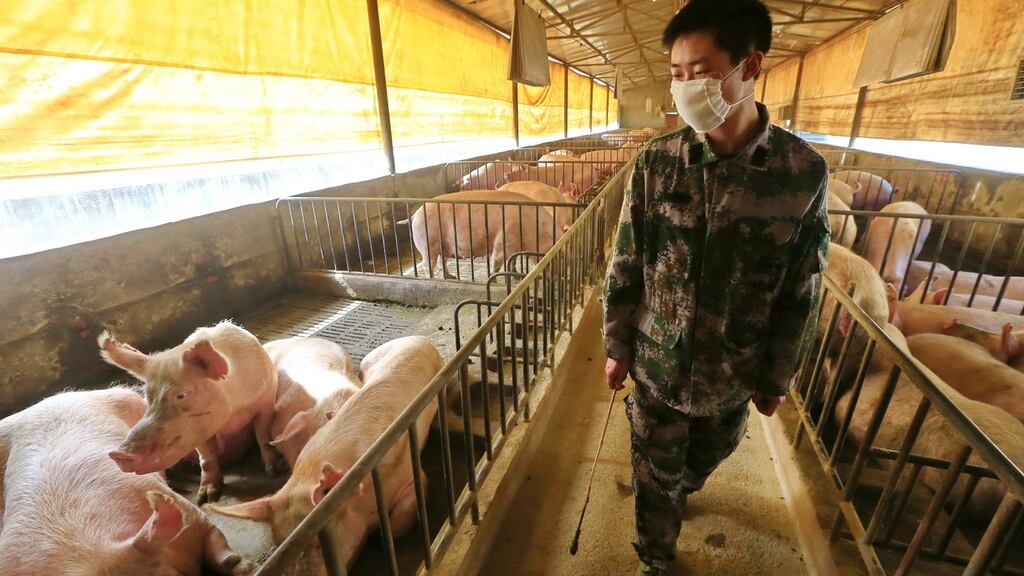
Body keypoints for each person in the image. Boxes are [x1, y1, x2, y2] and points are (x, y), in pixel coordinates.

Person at [602, 1, 831, 574]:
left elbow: (802, 286)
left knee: (707, 456)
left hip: (735, 369)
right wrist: (615, 343)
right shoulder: (657, 162)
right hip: (658, 364)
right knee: (654, 475)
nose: (683, 88)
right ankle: (655, 557)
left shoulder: (801, 173)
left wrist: (778, 374)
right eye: (676, 74)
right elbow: (626, 259)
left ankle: (688, 482)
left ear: (749, 66)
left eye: (699, 72)